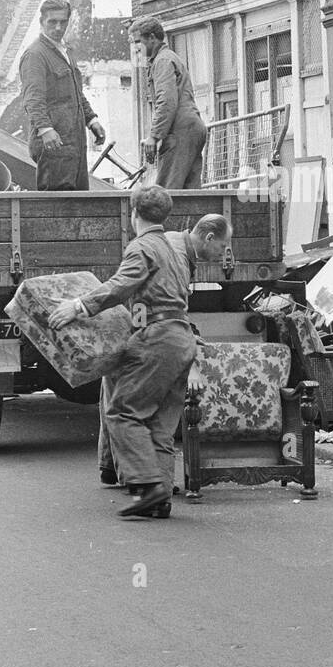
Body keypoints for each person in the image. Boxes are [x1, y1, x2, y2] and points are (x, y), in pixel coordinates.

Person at [48, 186, 196, 519]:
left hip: (157, 338)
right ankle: (160, 500)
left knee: (122, 412)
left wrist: (80, 305)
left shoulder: (141, 246)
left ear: (133, 214)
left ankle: (148, 487)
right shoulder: (172, 247)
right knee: (158, 422)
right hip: (181, 339)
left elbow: (120, 285)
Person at [96, 213, 232, 488]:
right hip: (148, 333)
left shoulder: (175, 246)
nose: (222, 255)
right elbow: (169, 308)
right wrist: (189, 359)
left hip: (144, 329)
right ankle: (149, 484)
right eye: (222, 247)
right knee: (141, 414)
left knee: (119, 401)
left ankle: (118, 471)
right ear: (208, 238)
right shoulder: (176, 254)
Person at [19, 0, 105, 190]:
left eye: (63, 22)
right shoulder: (35, 55)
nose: (58, 27)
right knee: (58, 206)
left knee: (78, 202)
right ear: (42, 22)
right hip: (54, 145)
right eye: (52, 22)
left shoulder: (66, 52)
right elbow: (33, 100)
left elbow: (76, 93)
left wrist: (92, 120)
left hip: (74, 143)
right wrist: (45, 130)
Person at [129, 16, 207, 189]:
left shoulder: (162, 61)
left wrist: (154, 135)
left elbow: (166, 101)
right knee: (190, 192)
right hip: (191, 129)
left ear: (151, 37)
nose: (135, 48)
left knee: (166, 192)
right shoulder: (168, 57)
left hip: (180, 131)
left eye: (137, 42)